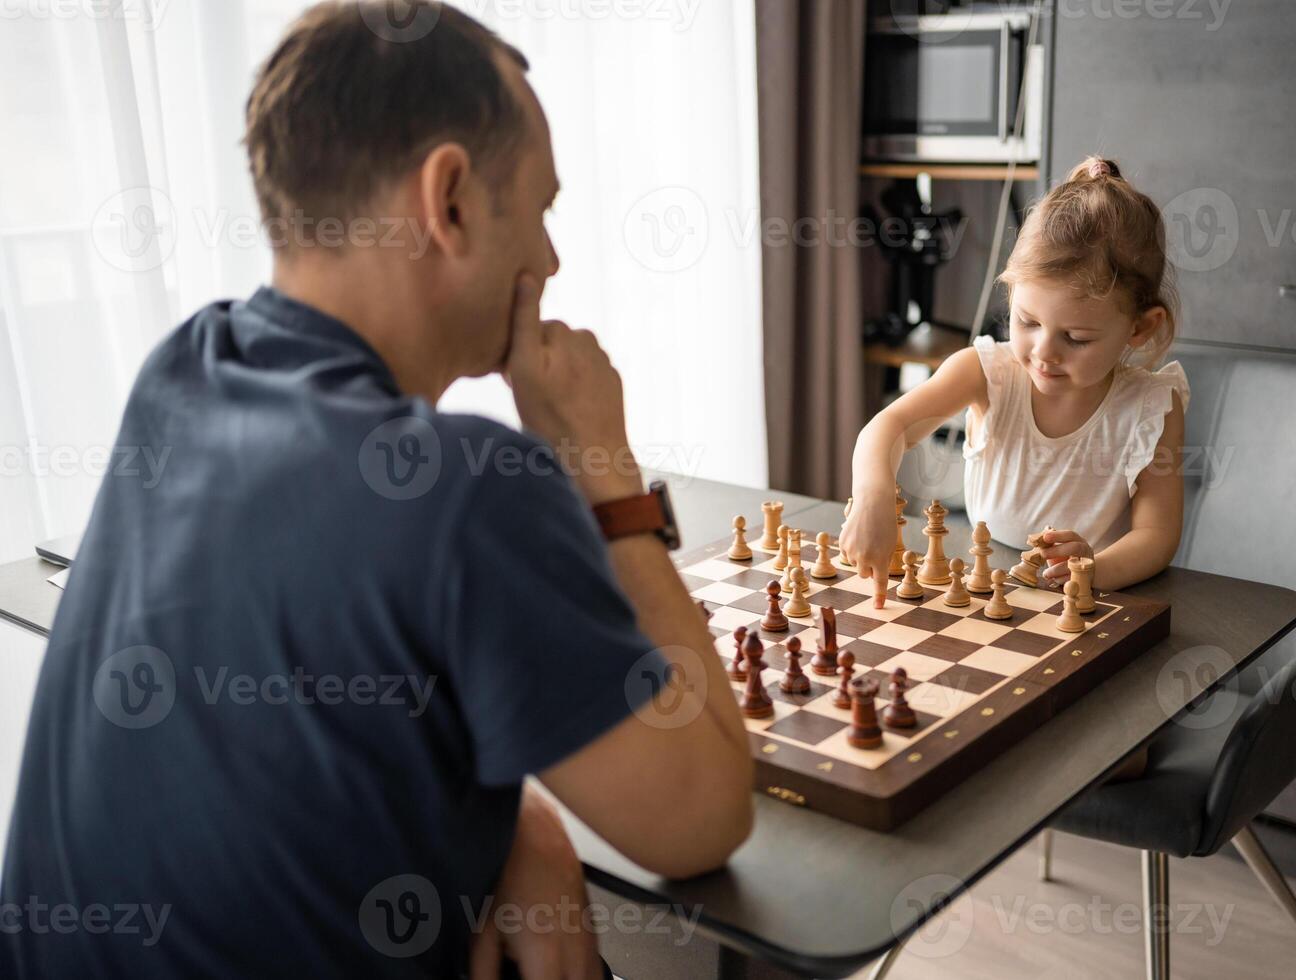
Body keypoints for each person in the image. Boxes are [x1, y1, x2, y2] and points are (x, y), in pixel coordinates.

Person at [2, 3, 752, 977]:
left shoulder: (182, 369)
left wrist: (518, 818)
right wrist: (604, 470)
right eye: (542, 208)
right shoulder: (472, 488)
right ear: (447, 201)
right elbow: (705, 814)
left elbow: (293, 717)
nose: (552, 259)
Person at [841, 156, 1190, 602]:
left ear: (1139, 328)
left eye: (1076, 338)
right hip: (989, 593)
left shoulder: (1152, 408)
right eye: (1026, 321)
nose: (1044, 352)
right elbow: (887, 428)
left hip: (1088, 610)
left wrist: (1092, 568)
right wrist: (873, 494)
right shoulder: (987, 373)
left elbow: (1156, 536)